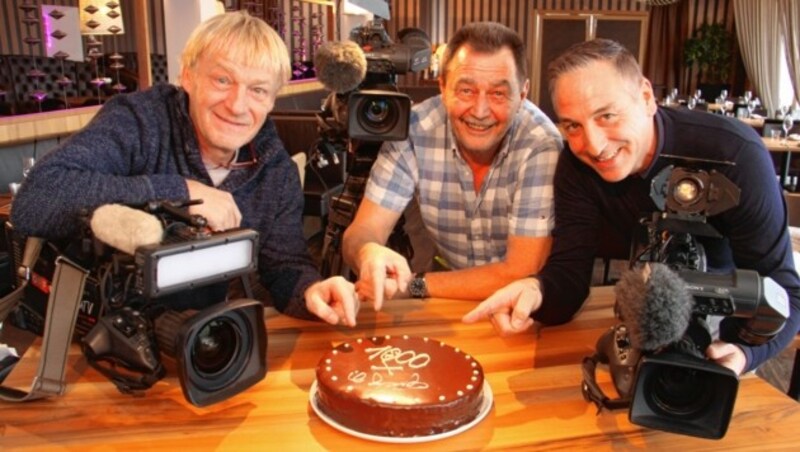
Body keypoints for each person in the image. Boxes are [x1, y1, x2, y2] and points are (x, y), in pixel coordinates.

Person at [463, 38, 800, 375]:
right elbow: (569, 277)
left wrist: (741, 353)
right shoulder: (574, 165)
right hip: (636, 317)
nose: (593, 146)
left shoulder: (734, 154)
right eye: (572, 126)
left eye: (606, 115)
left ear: (646, 97)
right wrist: (537, 290)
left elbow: (787, 292)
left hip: (723, 331)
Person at [9, 11, 359, 327]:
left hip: (192, 342)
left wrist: (313, 290)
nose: (237, 105)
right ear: (187, 76)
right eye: (222, 80)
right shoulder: (140, 121)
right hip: (83, 334)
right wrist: (182, 191)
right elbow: (36, 201)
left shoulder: (274, 169)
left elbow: (285, 269)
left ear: (271, 100)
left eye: (257, 90)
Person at [341, 21, 562, 310]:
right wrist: (368, 252)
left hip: (523, 304)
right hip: (448, 294)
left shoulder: (540, 144)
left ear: (522, 95)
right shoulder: (413, 131)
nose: (480, 112)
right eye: (466, 90)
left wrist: (414, 285)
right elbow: (362, 231)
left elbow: (521, 271)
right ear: (443, 87)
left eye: (498, 94)